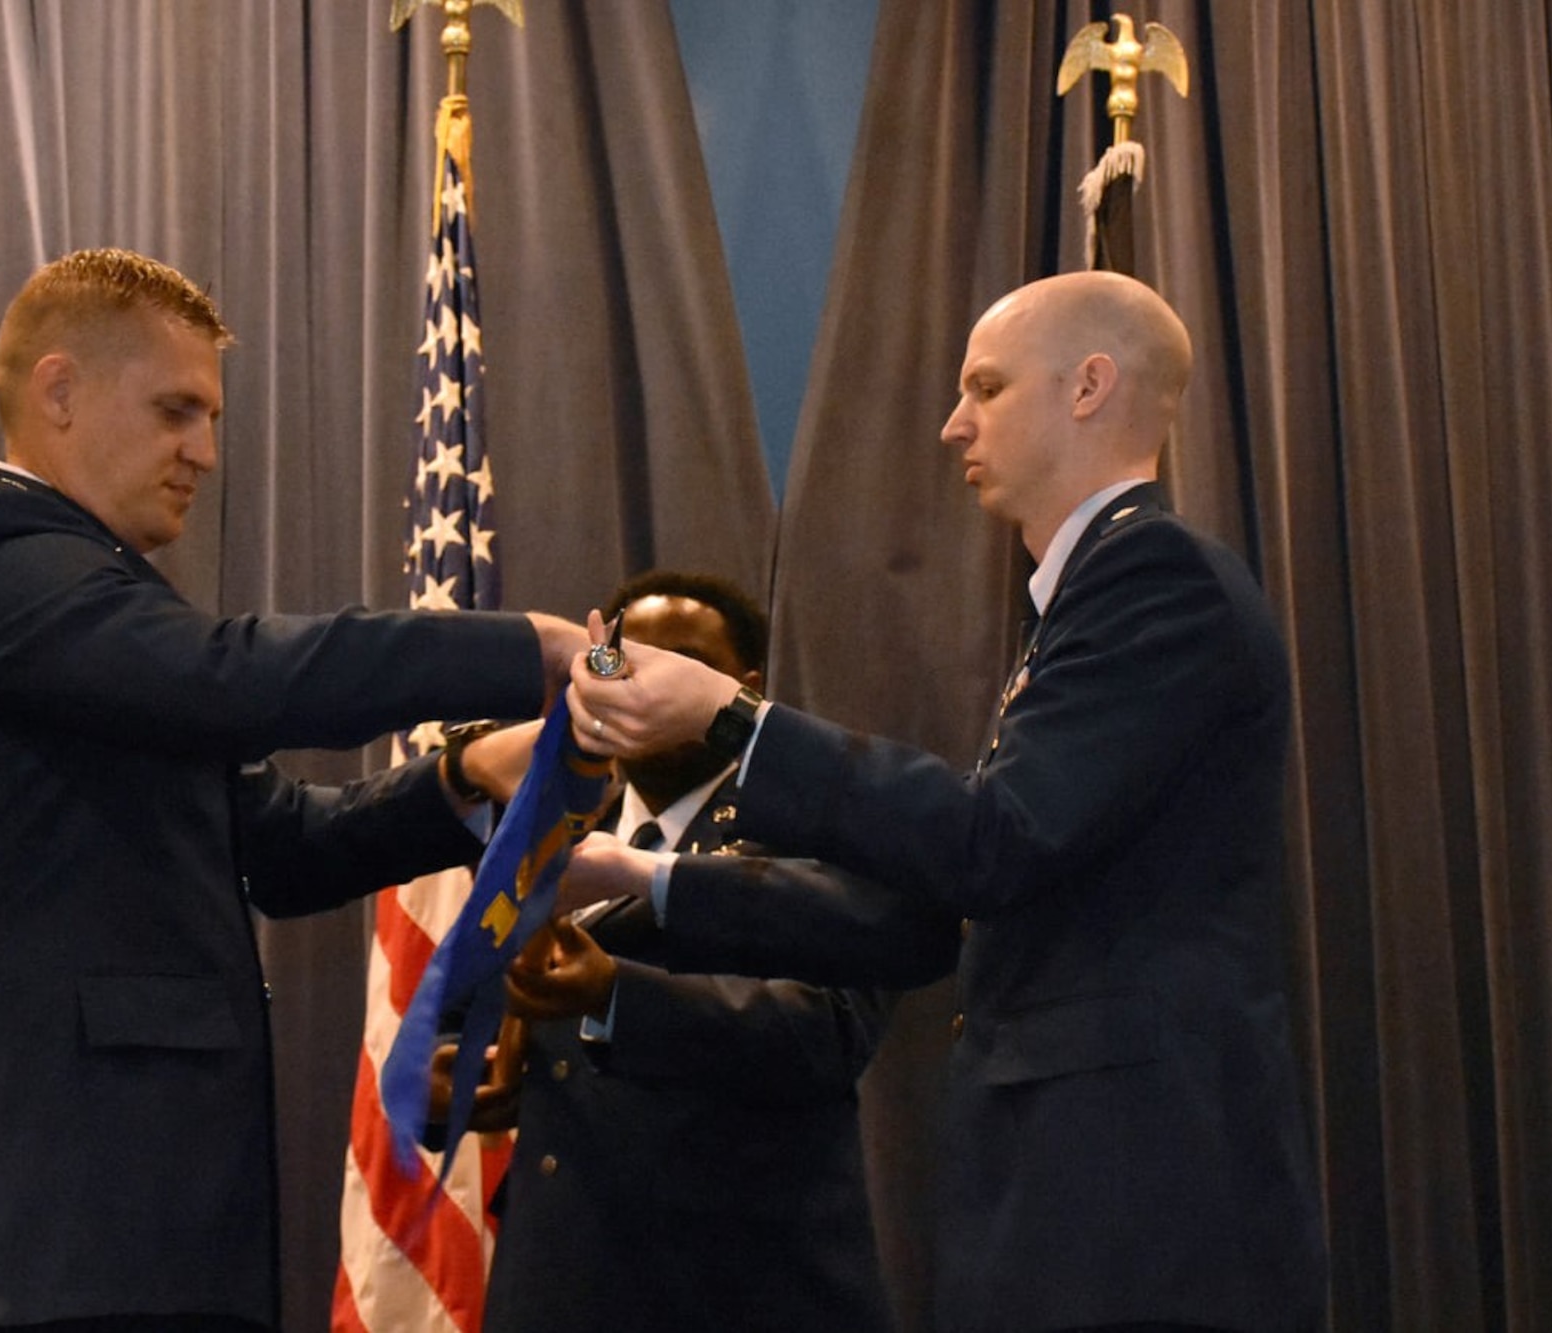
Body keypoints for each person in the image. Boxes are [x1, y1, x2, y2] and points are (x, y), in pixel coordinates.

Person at [556, 271, 1328, 1333]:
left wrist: (733, 722)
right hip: (1076, 1199)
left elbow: (989, 844)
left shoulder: (1154, 577)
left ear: (1088, 386)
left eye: (985, 386)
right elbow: (926, 918)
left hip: (1135, 1211)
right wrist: (631, 873)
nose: (949, 422)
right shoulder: (1092, 596)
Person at [0, 247, 583, 1333]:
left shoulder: (88, 606)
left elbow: (276, 847)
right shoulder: (1, 572)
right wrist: (520, 648)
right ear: (58, 391)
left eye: (208, 417)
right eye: (174, 411)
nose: (204, 451)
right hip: (50, 1247)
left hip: (130, 1245)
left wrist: (461, 777)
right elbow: (231, 678)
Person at [443, 570, 918, 1333]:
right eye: (620, 665)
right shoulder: (546, 821)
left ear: (744, 688)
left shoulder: (823, 826)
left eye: (680, 667)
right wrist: (460, 1080)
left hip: (746, 1288)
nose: (637, 689)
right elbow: (476, 1004)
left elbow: (826, 1029)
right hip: (560, 1283)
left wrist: (615, 996)